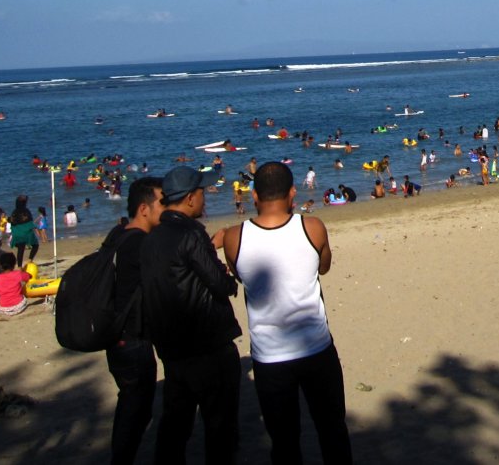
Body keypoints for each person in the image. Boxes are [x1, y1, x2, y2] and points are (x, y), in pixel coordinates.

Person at [222, 162, 352, 464]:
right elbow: (324, 266)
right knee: (332, 430)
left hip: (270, 357)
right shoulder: (312, 226)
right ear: (293, 193)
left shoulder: (233, 237)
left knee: (284, 440)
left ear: (253, 196)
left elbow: (239, 276)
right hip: (316, 347)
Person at [140, 166, 242, 464]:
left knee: (175, 423)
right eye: (201, 193)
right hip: (206, 343)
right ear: (188, 199)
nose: (205, 197)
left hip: (172, 347)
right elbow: (219, 283)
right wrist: (228, 276)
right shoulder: (191, 233)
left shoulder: (151, 238)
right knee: (220, 425)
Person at [101, 176, 164, 465]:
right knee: (135, 407)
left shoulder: (117, 235)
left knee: (132, 402)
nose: (167, 208)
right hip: (132, 338)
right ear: (144, 208)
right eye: (162, 202)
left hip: (116, 334)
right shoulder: (141, 244)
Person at [0, 251, 29, 316]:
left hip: (3, 309)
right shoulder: (18, 273)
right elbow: (29, 276)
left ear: (0, 265)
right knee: (22, 291)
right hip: (19, 307)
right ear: (14, 264)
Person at [9, 196, 39, 267]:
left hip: (17, 234)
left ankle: (19, 266)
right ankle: (30, 260)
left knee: (20, 249)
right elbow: (30, 223)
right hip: (27, 233)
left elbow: (12, 223)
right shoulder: (26, 211)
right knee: (35, 245)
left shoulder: (14, 212)